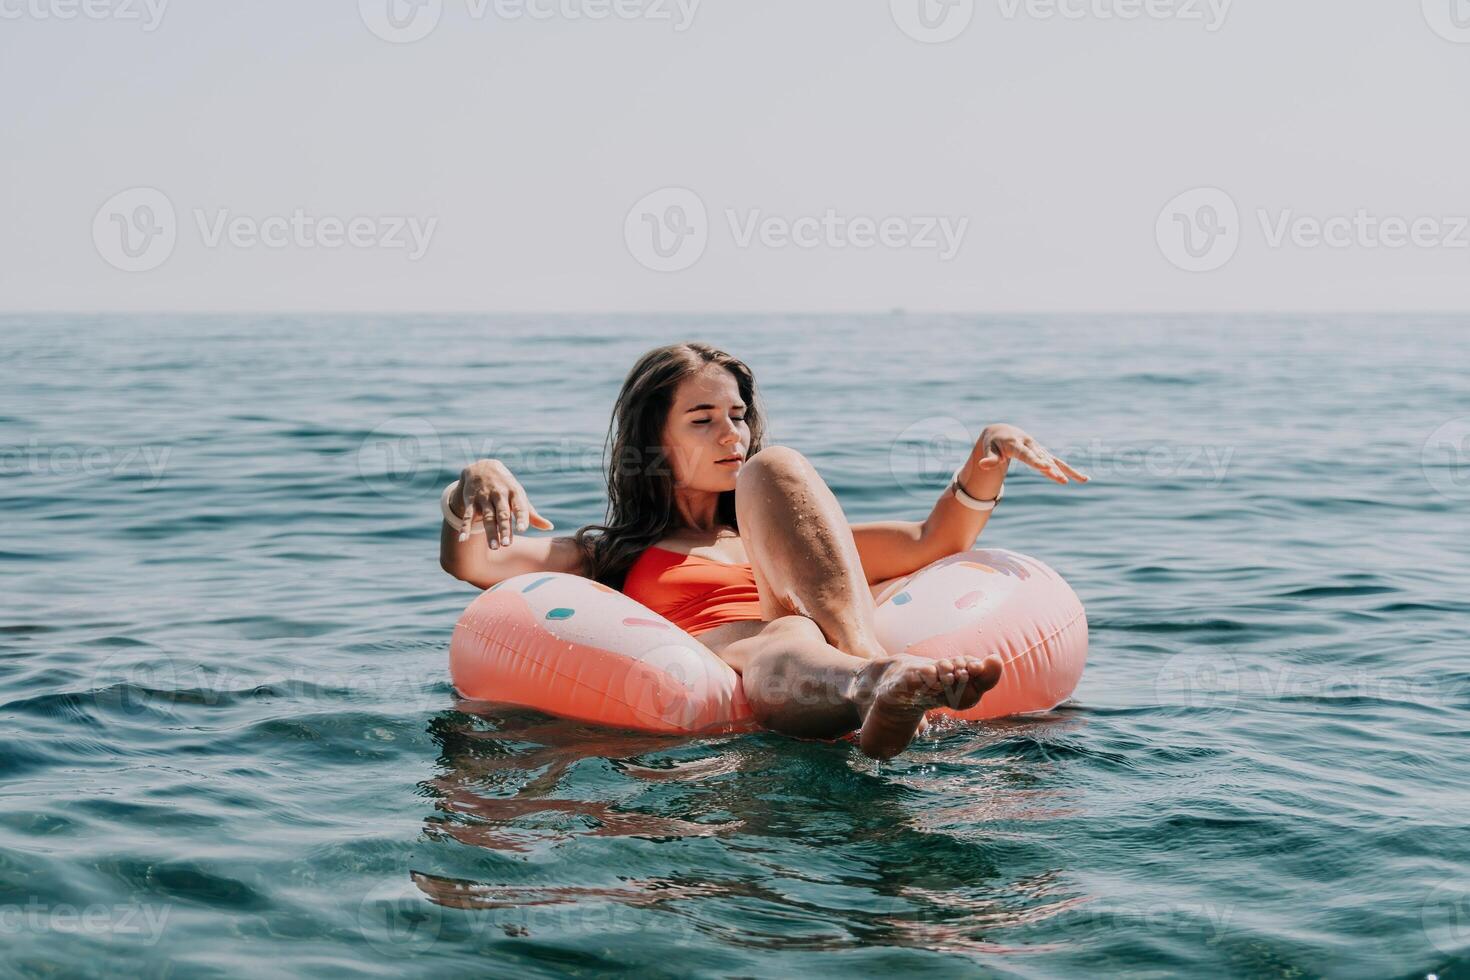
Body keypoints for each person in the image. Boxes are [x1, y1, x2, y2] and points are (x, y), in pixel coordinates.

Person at [439, 343, 1088, 759]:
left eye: (739, 414)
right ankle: (876, 685)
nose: (733, 433)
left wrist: (987, 455)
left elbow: (933, 542)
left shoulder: (785, 538)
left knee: (777, 471)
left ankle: (879, 684)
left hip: (825, 645)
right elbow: (472, 562)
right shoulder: (610, 553)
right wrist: (470, 482)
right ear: (653, 441)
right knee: (780, 633)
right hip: (738, 663)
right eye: (703, 419)